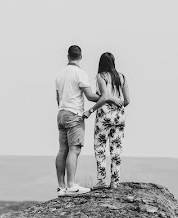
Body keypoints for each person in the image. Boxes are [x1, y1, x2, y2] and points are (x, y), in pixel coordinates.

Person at [55, 45, 122, 195]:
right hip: (74, 114)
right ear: (81, 57)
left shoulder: (59, 74)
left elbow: (58, 97)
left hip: (61, 113)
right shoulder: (80, 73)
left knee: (62, 150)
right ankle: (71, 185)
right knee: (74, 149)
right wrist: (108, 98)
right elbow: (90, 96)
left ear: (68, 56)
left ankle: (61, 186)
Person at [82, 52, 130, 189]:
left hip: (104, 116)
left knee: (100, 147)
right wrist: (117, 108)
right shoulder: (122, 77)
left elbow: (104, 97)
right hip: (119, 116)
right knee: (116, 149)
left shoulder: (101, 76)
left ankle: (102, 180)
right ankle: (115, 181)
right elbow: (127, 101)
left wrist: (90, 111)